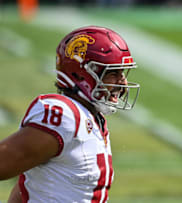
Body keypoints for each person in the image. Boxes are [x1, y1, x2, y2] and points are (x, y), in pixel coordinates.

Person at [1, 26, 140, 202]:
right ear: (82, 74)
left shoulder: (92, 119)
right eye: (113, 73)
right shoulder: (64, 116)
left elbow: (29, 185)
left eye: (122, 73)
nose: (123, 83)